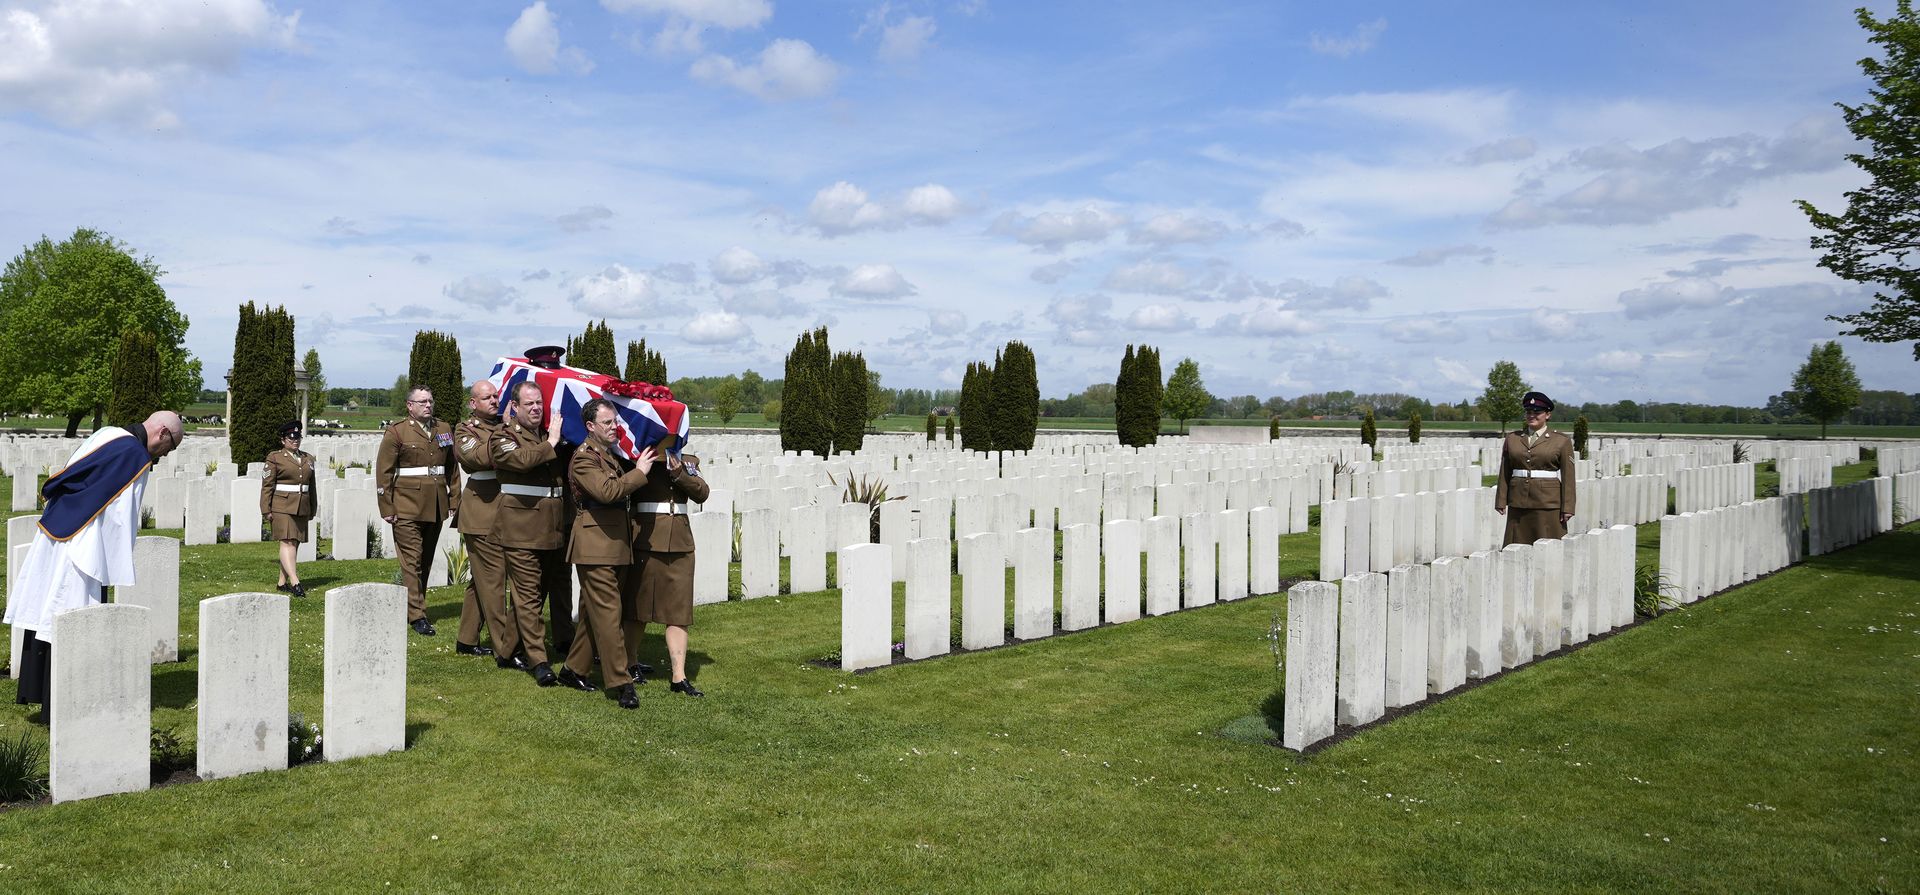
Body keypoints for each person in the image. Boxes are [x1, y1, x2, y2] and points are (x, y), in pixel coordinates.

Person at [5, 411, 184, 719]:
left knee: (48, 609)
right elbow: (119, 519)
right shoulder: (134, 456)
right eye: (171, 447)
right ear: (163, 434)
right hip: (83, 545)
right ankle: (62, 705)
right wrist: (113, 565)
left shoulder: (109, 434)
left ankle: (37, 690)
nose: (166, 455)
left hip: (56, 530)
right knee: (71, 614)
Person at [559, 398, 657, 708]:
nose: (614, 427)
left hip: (615, 543)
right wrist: (640, 472)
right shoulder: (584, 459)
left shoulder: (610, 456)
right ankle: (621, 681)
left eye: (615, 422)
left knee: (594, 614)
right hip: (595, 545)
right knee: (610, 614)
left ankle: (573, 670)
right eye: (607, 423)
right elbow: (608, 491)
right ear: (590, 426)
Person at [491, 380, 567, 687]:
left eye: (540, 403)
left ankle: (506, 650)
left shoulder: (551, 436)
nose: (536, 408)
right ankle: (539, 660)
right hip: (519, 529)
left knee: (535, 595)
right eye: (529, 404)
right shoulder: (503, 436)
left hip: (552, 528)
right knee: (528, 596)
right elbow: (520, 462)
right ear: (515, 407)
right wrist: (550, 443)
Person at [376, 386, 462, 636]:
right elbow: (384, 472)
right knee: (411, 561)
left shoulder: (444, 429)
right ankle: (417, 615)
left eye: (430, 401)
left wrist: (454, 499)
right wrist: (387, 506)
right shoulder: (397, 431)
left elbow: (451, 468)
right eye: (422, 401)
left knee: (425, 559)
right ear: (409, 405)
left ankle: (413, 606)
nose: (428, 405)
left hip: (435, 505)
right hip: (406, 506)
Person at [629, 444, 710, 697]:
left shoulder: (687, 460)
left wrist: (678, 473)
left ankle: (679, 675)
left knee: (678, 611)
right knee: (637, 608)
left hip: (680, 542)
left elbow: (702, 492)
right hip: (647, 539)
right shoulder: (637, 457)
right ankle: (630, 663)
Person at [452, 378, 523, 668]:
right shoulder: (465, 430)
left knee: (482, 579)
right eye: (487, 397)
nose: (495, 401)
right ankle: (504, 648)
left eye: (496, 396)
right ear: (473, 403)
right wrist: (507, 432)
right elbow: (478, 458)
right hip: (481, 513)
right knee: (494, 582)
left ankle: (466, 638)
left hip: (505, 512)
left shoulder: (503, 427)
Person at [1494, 391, 1578, 546]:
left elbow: (1568, 477)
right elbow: (1505, 471)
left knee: (1548, 547)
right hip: (1518, 502)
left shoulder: (1561, 441)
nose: (1531, 415)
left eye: (1537, 412)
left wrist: (1568, 507)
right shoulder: (1513, 439)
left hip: (1547, 503)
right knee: (1516, 546)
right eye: (1528, 412)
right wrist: (1501, 500)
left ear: (1547, 415)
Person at [259, 419, 317, 597]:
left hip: (302, 506)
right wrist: (266, 509)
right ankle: (295, 581)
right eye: (291, 438)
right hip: (282, 506)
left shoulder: (308, 458)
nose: (295, 440)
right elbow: (267, 485)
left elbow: (311, 485)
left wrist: (313, 507)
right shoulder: (275, 458)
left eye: (297, 437)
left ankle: (281, 582)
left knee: (295, 543)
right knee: (287, 541)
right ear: (283, 440)